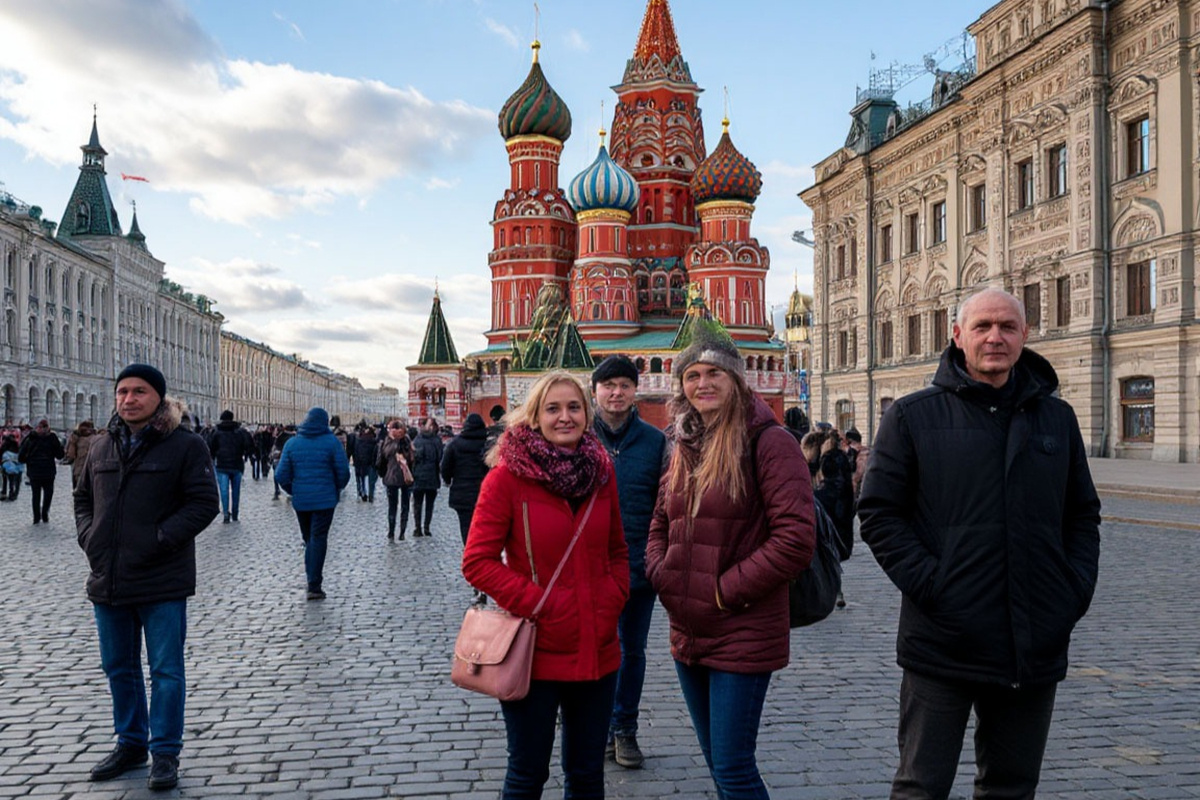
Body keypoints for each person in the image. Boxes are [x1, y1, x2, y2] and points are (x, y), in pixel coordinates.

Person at [857, 287, 1102, 800]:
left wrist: (1072, 591)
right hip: (942, 642)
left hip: (1032, 641)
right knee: (921, 787)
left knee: (1011, 788)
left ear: (1025, 336)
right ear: (957, 336)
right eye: (983, 326)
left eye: (1008, 327)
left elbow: (1081, 514)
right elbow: (879, 515)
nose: (995, 337)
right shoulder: (912, 415)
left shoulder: (1057, 419)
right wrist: (935, 586)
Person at [646, 331, 815, 800]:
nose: (703, 383)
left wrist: (723, 590)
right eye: (692, 375)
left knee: (736, 769)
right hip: (688, 629)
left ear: (738, 380)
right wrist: (662, 574)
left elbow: (796, 539)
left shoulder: (769, 442)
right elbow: (661, 520)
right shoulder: (684, 443)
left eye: (714, 373)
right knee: (720, 767)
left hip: (741, 626)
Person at [462, 370, 628, 799]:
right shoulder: (506, 478)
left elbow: (617, 550)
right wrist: (541, 603)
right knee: (527, 774)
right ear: (534, 416)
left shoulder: (601, 473)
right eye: (552, 408)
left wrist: (612, 598)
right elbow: (477, 562)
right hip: (535, 649)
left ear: (587, 413)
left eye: (574, 407)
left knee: (588, 773)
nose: (565, 417)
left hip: (598, 645)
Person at [74, 363, 219, 790]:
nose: (128, 399)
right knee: (118, 667)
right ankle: (131, 741)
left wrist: (159, 540)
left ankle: (165, 753)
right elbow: (82, 498)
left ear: (158, 397)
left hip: (162, 580)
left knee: (166, 670)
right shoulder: (101, 446)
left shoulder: (185, 445)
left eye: (139, 391)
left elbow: (203, 503)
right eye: (122, 391)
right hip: (109, 578)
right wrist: (91, 538)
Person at [589, 355, 666, 770]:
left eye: (624, 385)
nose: (616, 393)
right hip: (587, 570)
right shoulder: (579, 437)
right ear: (595, 389)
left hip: (638, 567)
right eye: (609, 385)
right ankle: (596, 728)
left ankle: (625, 729)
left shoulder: (654, 442)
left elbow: (666, 504)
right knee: (593, 647)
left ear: (635, 390)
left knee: (631, 651)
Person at [274, 407, 351, 600]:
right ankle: (314, 585)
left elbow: (280, 475)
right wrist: (335, 489)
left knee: (309, 538)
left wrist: (294, 490)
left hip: (302, 501)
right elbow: (343, 472)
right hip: (325, 500)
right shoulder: (331, 442)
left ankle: (311, 580)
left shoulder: (292, 443)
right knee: (318, 538)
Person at [440, 412, 490, 547]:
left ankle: (469, 551)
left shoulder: (454, 444)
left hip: (461, 493)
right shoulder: (488, 445)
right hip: (484, 492)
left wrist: (448, 480)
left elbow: (445, 467)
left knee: (466, 526)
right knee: (483, 526)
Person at [209, 410, 254, 524]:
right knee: (236, 491)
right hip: (237, 465)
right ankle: (235, 513)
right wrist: (244, 454)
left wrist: (213, 457)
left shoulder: (216, 432)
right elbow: (248, 445)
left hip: (222, 465)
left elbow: (211, 448)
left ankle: (225, 513)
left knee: (224, 491)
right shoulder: (240, 432)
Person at [18, 418, 65, 524]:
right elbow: (60, 455)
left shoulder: (30, 438)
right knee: (48, 493)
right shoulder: (52, 438)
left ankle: (36, 516)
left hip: (35, 471)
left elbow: (21, 457)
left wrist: (29, 460)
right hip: (48, 470)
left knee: (36, 494)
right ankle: (44, 513)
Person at [376, 420, 414, 539]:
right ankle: (392, 530)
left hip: (403, 477)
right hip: (393, 477)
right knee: (394, 505)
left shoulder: (403, 441)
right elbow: (383, 456)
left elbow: (412, 457)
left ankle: (401, 531)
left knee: (403, 505)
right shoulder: (389, 441)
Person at [410, 417, 444, 537]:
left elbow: (413, 458)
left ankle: (418, 528)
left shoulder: (417, 440)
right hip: (432, 477)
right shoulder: (437, 440)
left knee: (417, 504)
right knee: (429, 504)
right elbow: (441, 458)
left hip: (418, 476)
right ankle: (426, 527)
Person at [63, 419, 98, 490]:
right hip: (93, 471)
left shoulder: (75, 439)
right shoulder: (97, 438)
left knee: (80, 494)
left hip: (79, 471)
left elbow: (70, 455)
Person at [351, 423, 379, 502]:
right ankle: (371, 495)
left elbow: (356, 452)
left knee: (362, 478)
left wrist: (356, 461)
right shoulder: (374, 442)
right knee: (371, 481)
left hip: (361, 462)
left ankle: (363, 493)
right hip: (371, 463)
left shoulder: (359, 440)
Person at [0, 433, 22, 501]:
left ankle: (4, 492)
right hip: (16, 466)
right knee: (15, 481)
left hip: (6, 466)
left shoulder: (4, 446)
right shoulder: (17, 446)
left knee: (5, 479)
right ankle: (13, 494)